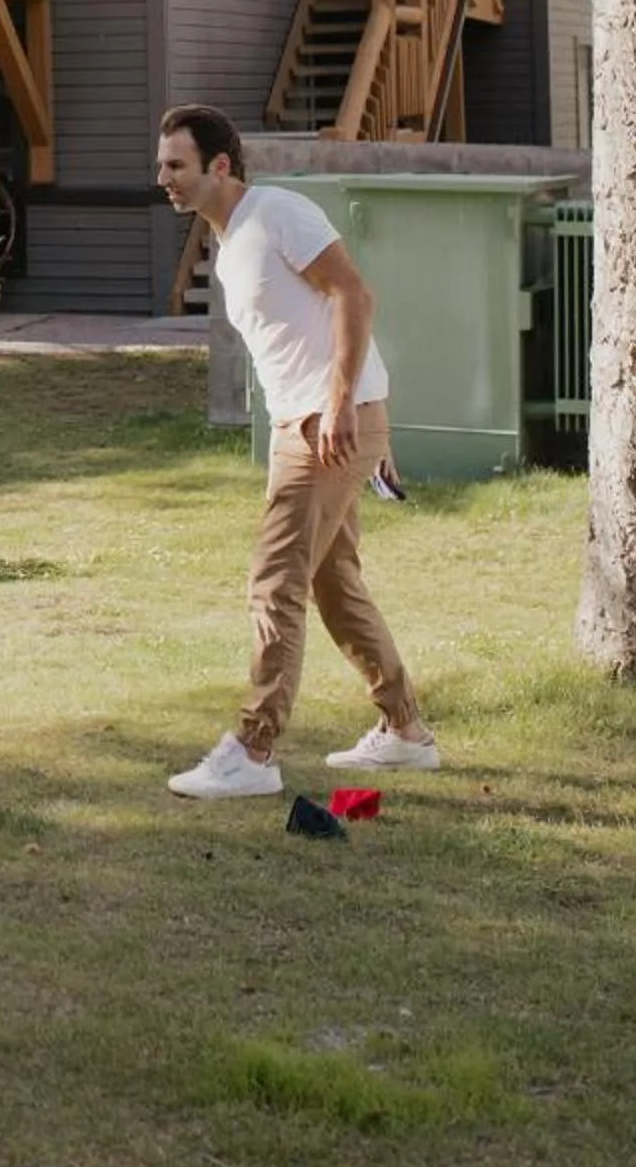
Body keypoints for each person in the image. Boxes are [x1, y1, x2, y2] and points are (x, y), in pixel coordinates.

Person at [156, 105, 442, 801]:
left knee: (275, 581)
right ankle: (405, 731)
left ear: (219, 166)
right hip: (313, 423)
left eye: (176, 165)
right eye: (161, 165)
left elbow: (354, 294)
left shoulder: (278, 212)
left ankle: (254, 750)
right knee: (334, 584)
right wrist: (366, 423)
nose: (163, 178)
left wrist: (348, 407)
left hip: (326, 424)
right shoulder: (228, 239)